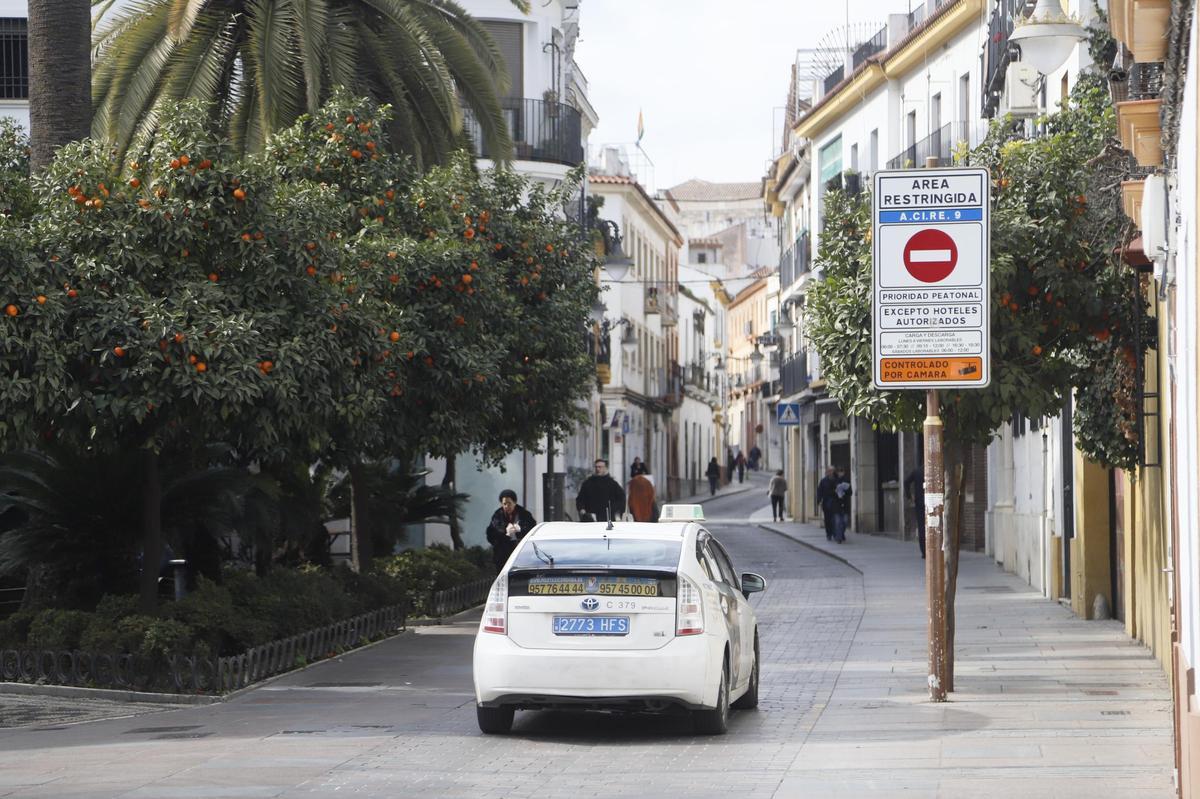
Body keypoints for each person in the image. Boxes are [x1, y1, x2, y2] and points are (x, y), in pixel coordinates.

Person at [485, 489, 536, 570]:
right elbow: (490, 535)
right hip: (502, 556)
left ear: (514, 503)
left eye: (509, 503)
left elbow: (532, 530)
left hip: (521, 554)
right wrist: (506, 532)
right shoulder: (497, 516)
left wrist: (520, 530)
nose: (506, 506)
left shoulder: (525, 515)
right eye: (504, 504)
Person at [905, 466, 926, 559]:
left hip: (920, 503)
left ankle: (924, 552)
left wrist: (910, 497)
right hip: (932, 503)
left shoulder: (917, 471)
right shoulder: (934, 470)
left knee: (922, 528)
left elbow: (906, 482)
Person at [817, 467, 838, 541]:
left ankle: (835, 533)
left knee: (835, 519)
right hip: (826, 503)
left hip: (836, 503)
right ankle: (828, 533)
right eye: (829, 471)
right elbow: (819, 491)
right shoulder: (823, 481)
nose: (831, 472)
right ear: (827, 472)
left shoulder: (837, 480)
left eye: (832, 471)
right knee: (827, 519)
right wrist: (819, 500)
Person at [833, 468, 852, 544]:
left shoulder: (847, 481)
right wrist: (836, 492)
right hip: (837, 505)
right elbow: (830, 493)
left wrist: (845, 491)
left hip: (845, 504)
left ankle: (841, 533)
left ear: (844, 472)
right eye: (839, 472)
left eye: (842, 471)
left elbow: (850, 493)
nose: (840, 473)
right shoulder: (834, 481)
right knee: (838, 522)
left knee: (845, 521)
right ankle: (839, 537)